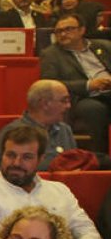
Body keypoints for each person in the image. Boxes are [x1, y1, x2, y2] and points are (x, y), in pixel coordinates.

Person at [0, 125, 104, 239]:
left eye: (27, 157)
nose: (16, 163)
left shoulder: (60, 191)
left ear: (40, 159)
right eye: (11, 155)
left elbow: (87, 232)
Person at [40, 14, 111, 153]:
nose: (63, 34)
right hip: (82, 98)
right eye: (59, 31)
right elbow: (50, 84)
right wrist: (89, 85)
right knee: (92, 109)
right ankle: (101, 157)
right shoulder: (51, 54)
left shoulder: (105, 45)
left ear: (82, 30)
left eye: (68, 29)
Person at [0, 80, 77, 170]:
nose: (68, 106)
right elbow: (8, 170)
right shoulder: (13, 132)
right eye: (64, 101)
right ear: (45, 104)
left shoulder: (65, 130)